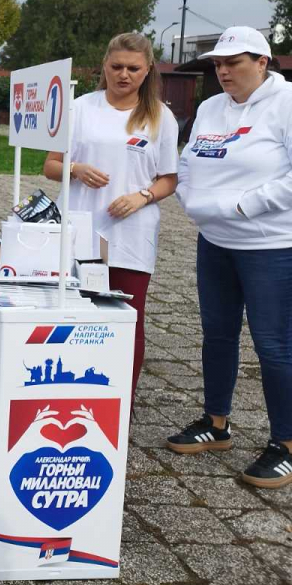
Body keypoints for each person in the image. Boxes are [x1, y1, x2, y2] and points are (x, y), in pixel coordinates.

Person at [165, 26, 292, 488]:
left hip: (271, 246)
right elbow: (190, 162)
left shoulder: (286, 104)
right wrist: (192, 200)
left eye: (233, 62)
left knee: (274, 345)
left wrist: (242, 205)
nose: (222, 71)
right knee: (217, 335)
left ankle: (286, 443)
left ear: (262, 61)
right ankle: (216, 424)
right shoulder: (209, 107)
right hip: (215, 241)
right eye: (218, 64)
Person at [42, 33, 178, 407]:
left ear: (148, 70)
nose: (124, 75)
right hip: (80, 230)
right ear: (104, 66)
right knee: (75, 316)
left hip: (130, 235)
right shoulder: (80, 107)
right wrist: (76, 168)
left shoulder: (160, 117)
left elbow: (169, 178)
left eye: (133, 68)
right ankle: (69, 394)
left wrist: (142, 196)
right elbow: (50, 166)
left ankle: (120, 406)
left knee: (127, 323)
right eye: (116, 66)